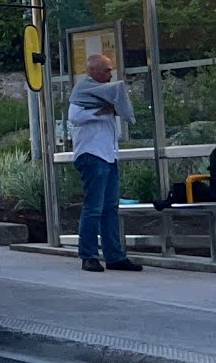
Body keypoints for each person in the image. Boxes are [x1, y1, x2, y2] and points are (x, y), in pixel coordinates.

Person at [67, 54, 143, 272]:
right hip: (92, 154)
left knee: (111, 207)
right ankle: (88, 255)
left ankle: (115, 256)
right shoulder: (83, 92)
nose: (110, 74)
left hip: (109, 155)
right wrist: (102, 112)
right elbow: (75, 116)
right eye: (106, 70)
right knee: (93, 207)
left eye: (110, 70)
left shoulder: (107, 93)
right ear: (92, 71)